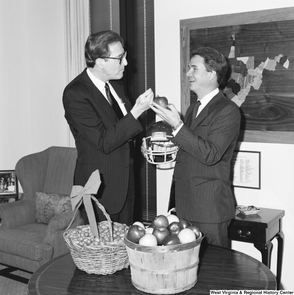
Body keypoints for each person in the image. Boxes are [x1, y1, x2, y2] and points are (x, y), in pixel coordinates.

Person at [150, 47, 241, 247]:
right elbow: (189, 147)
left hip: (208, 209)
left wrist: (178, 125)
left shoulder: (228, 110)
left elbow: (210, 154)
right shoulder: (194, 108)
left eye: (194, 69)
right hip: (185, 205)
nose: (188, 73)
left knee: (213, 272)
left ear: (211, 74)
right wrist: (162, 144)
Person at [63, 30, 153, 225]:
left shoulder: (116, 86)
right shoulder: (75, 93)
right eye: (120, 58)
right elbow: (104, 141)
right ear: (100, 61)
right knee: (102, 253)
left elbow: (122, 129)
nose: (126, 63)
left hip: (126, 183)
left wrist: (140, 145)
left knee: (124, 249)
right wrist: (137, 111)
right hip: (99, 190)